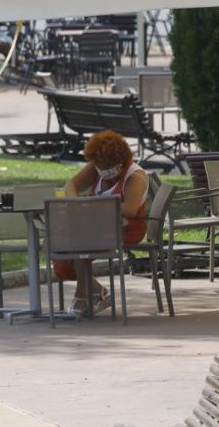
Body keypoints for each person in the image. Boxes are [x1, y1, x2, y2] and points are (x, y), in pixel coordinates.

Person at [54, 130, 149, 315]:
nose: (105, 171)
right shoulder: (96, 167)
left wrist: (91, 208)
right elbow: (70, 185)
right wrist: (76, 203)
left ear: (121, 161)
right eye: (101, 167)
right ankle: (96, 291)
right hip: (94, 226)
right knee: (66, 241)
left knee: (77, 242)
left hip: (126, 228)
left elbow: (129, 209)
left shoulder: (135, 177)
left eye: (110, 167)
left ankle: (83, 294)